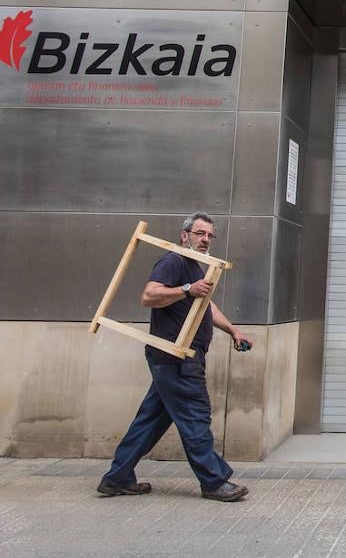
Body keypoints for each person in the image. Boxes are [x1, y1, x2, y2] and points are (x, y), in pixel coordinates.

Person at [97, 213, 254, 502]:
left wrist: (233, 330)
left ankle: (117, 478)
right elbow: (149, 295)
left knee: (149, 422)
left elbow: (205, 305)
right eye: (199, 233)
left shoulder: (195, 266)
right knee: (195, 416)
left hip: (174, 359)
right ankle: (214, 481)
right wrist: (185, 290)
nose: (205, 239)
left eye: (209, 235)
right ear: (185, 236)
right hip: (176, 357)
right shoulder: (175, 261)